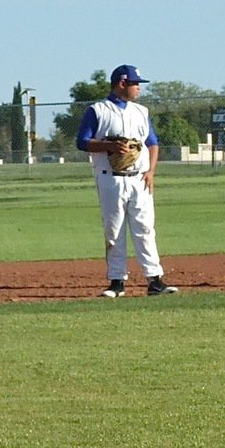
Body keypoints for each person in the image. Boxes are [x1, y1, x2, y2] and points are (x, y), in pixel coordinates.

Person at [76, 64, 178, 298]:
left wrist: (151, 171)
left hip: (139, 179)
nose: (138, 88)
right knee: (114, 231)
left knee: (145, 229)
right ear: (122, 84)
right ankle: (116, 282)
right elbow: (82, 142)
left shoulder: (141, 112)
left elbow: (152, 143)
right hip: (110, 179)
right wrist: (108, 146)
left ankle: (155, 280)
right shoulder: (98, 110)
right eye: (135, 84)